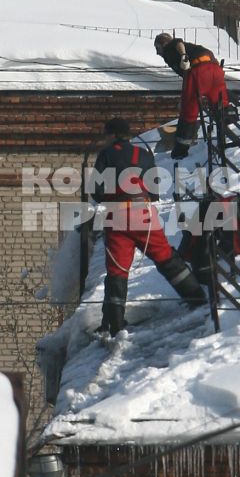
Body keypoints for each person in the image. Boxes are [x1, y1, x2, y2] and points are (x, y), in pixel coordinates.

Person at [87, 117, 206, 336]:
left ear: (112, 135)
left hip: (118, 218)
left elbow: (96, 190)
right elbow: (154, 191)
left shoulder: (106, 154)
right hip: (143, 215)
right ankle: (197, 298)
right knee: (166, 258)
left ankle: (114, 325)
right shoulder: (143, 154)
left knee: (117, 271)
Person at [153, 32, 230, 160]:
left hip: (198, 71)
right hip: (215, 69)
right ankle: (231, 133)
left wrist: (183, 56)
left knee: (189, 112)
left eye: (158, 48)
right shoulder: (192, 47)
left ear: (163, 45)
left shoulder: (170, 49)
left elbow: (178, 43)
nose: (157, 52)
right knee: (222, 105)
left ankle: (180, 151)